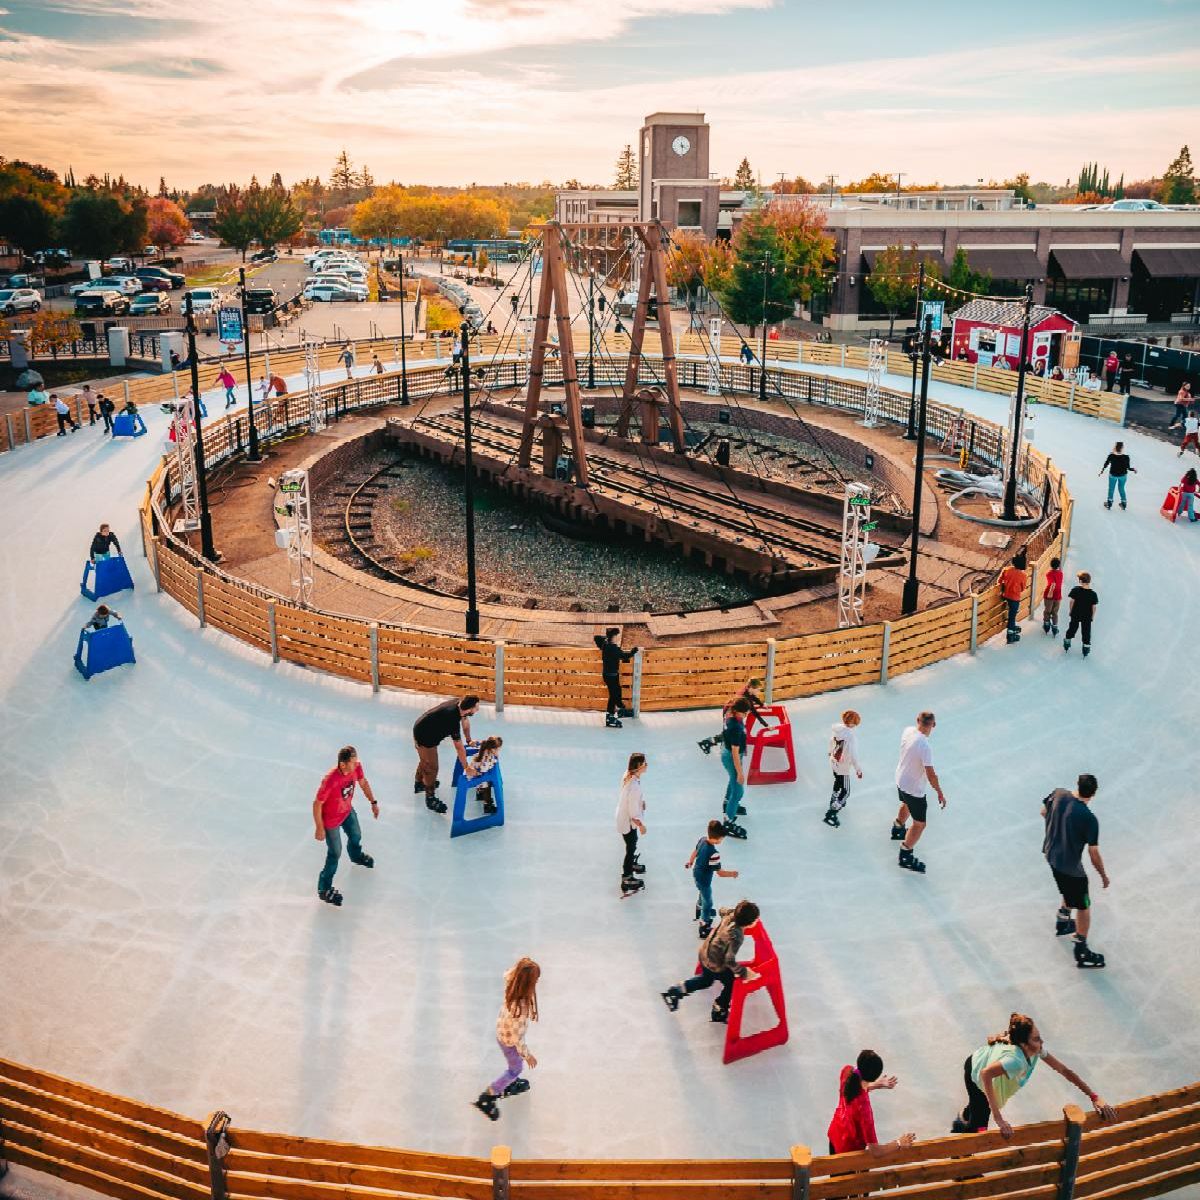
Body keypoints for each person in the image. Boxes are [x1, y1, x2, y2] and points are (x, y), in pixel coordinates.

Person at [951, 1013, 1116, 1136]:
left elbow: (1064, 1070)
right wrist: (999, 1118)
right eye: (1036, 1039)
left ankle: (963, 1120)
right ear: (1024, 1044)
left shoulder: (1036, 1051)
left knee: (976, 1112)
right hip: (976, 1070)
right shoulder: (1015, 1061)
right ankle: (963, 1165)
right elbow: (985, 1074)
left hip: (983, 1061)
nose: (1042, 1042)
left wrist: (1094, 1097)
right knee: (980, 1126)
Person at [1042, 774, 1110, 969]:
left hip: (1050, 855)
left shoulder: (1058, 794)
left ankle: (1063, 920)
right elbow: (1093, 852)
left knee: (1069, 889)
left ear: (1077, 785)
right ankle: (1081, 949)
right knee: (1084, 905)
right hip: (1069, 867)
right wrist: (1103, 875)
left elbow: (1042, 812)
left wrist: (1057, 829)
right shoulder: (1089, 818)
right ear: (1094, 793)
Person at [661, 899, 761, 1024]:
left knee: (706, 980)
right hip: (716, 963)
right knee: (731, 982)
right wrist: (744, 973)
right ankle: (719, 1009)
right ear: (749, 923)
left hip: (704, 953)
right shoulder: (737, 935)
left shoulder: (730, 914)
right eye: (756, 920)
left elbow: (721, 910)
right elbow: (729, 960)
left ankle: (676, 991)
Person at [473, 958, 540, 1121]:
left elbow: (508, 974)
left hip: (502, 1031)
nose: (537, 983)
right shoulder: (520, 1009)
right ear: (527, 983)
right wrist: (528, 1055)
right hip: (509, 1041)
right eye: (535, 980)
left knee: (514, 1065)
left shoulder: (511, 985)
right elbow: (518, 1039)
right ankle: (487, 1097)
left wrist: (522, 966)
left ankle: (512, 1082)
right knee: (515, 1069)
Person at [311, 746, 378, 907]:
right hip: (331, 820)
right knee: (335, 853)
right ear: (343, 764)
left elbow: (363, 783)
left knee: (356, 835)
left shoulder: (356, 768)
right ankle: (324, 888)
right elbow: (317, 804)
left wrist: (373, 802)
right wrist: (319, 827)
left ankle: (356, 855)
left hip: (347, 811)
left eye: (356, 762)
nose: (356, 765)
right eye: (353, 763)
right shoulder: (330, 780)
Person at [827, 1050, 916, 1157]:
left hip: (835, 1136)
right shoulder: (864, 1108)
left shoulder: (847, 1071)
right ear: (875, 1076)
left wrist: (875, 1085)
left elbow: (856, 1087)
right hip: (850, 1152)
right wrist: (899, 1143)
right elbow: (876, 1151)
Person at [890, 711, 947, 874]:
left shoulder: (908, 731)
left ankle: (898, 828)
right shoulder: (925, 746)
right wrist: (939, 792)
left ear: (917, 721)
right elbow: (930, 773)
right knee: (919, 824)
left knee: (906, 803)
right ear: (933, 725)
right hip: (914, 788)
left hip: (900, 779)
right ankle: (905, 854)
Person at [412, 695, 479, 813]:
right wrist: (466, 767)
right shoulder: (452, 720)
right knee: (432, 767)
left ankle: (419, 783)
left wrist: (469, 740)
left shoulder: (460, 705)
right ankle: (430, 798)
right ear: (469, 709)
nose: (477, 710)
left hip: (424, 727)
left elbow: (465, 721)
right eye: (476, 708)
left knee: (425, 760)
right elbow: (459, 748)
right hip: (425, 735)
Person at [686, 819, 738, 939]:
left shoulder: (703, 840)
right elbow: (720, 873)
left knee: (702, 893)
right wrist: (732, 874)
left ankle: (699, 907)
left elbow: (695, 851)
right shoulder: (714, 853)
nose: (721, 841)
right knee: (708, 902)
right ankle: (704, 926)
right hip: (704, 879)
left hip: (696, 874)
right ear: (718, 838)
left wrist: (690, 861)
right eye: (721, 839)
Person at [698, 676, 764, 755]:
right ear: (751, 688)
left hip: (733, 711)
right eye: (757, 689)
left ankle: (712, 742)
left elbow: (754, 698)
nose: (758, 690)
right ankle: (710, 742)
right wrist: (765, 724)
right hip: (730, 713)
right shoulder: (745, 696)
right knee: (731, 732)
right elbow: (754, 711)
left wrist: (762, 705)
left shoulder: (748, 691)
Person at [823, 709, 863, 828]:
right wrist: (858, 770)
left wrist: (830, 753)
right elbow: (853, 755)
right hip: (843, 766)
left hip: (833, 762)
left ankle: (833, 800)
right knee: (846, 791)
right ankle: (832, 812)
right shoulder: (851, 737)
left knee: (838, 782)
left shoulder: (838, 730)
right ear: (853, 724)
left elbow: (831, 742)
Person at [616, 752, 648, 897]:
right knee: (631, 846)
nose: (646, 765)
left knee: (632, 844)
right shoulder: (634, 785)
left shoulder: (628, 775)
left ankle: (630, 865)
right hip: (627, 821)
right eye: (644, 763)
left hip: (623, 817)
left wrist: (641, 803)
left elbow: (632, 801)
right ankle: (627, 875)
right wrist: (641, 825)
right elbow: (632, 810)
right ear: (638, 766)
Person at [719, 697, 751, 840]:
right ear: (738, 712)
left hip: (727, 753)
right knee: (738, 790)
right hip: (732, 757)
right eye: (745, 713)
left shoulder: (729, 711)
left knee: (733, 781)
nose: (746, 715)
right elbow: (734, 752)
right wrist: (740, 772)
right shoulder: (736, 728)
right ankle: (728, 821)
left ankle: (728, 803)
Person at [593, 627, 637, 729]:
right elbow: (623, 656)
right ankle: (610, 717)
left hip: (610, 674)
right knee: (613, 696)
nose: (618, 638)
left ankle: (621, 709)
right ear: (613, 637)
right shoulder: (612, 647)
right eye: (616, 636)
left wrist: (606, 638)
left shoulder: (604, 645)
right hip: (611, 675)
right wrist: (633, 652)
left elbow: (596, 638)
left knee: (617, 691)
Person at [1063, 571, 1098, 657]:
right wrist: (1092, 616)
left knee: (1073, 627)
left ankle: (1067, 641)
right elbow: (1094, 607)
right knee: (1086, 631)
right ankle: (1086, 647)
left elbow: (1072, 602)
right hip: (1087, 616)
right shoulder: (1093, 594)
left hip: (1076, 613)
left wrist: (1071, 611)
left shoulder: (1076, 590)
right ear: (1089, 581)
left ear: (1081, 581)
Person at [998, 554, 1026, 644]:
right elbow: (1023, 588)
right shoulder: (1023, 575)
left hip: (1005, 595)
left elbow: (999, 581)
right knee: (1012, 616)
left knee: (1011, 616)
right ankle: (1010, 635)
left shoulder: (1006, 570)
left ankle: (1012, 627)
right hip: (1015, 597)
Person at [471, 735, 503, 815]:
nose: (499, 751)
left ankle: (480, 793)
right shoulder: (487, 757)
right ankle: (487, 805)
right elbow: (483, 771)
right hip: (478, 776)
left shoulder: (485, 749)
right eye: (498, 749)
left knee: (487, 782)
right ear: (493, 749)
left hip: (477, 773)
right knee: (487, 785)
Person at [1099, 442, 1135, 510]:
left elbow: (1106, 464)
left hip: (1113, 475)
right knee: (1121, 488)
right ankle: (1123, 503)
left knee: (1111, 489)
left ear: (1115, 447)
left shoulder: (1111, 456)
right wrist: (1133, 469)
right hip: (1123, 476)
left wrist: (1102, 470)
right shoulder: (1126, 457)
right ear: (1122, 448)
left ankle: (1109, 503)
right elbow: (1128, 467)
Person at [1041, 555, 1064, 636]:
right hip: (1058, 596)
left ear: (1051, 565)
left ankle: (1046, 625)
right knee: (1055, 612)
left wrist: (1050, 594)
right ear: (1058, 565)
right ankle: (1054, 627)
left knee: (1047, 611)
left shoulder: (1049, 574)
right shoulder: (1061, 573)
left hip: (1049, 596)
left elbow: (1053, 584)